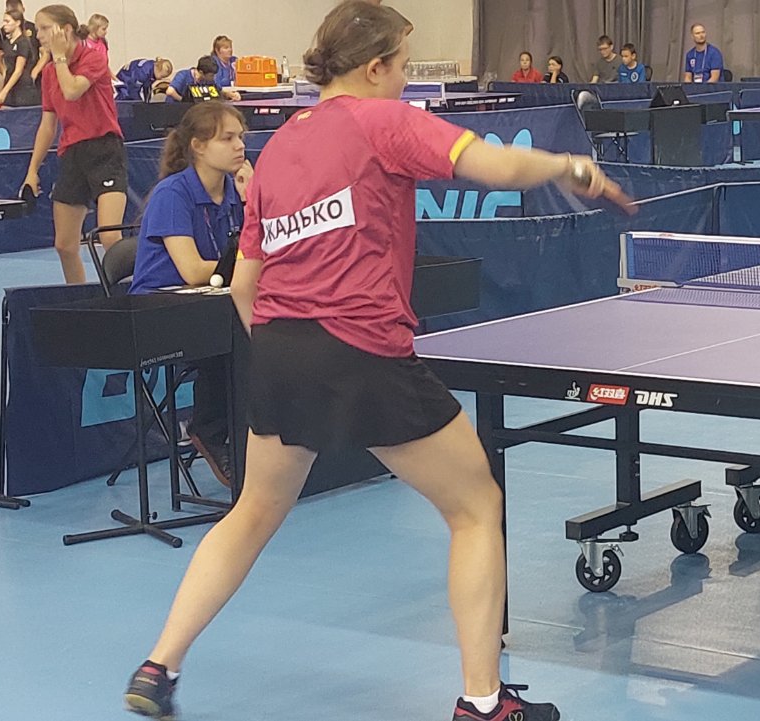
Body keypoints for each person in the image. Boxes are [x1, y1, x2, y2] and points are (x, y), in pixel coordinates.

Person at [120, 4, 625, 721]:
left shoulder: (277, 149)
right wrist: (572, 166)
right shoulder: (384, 121)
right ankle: (484, 703)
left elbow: (244, 285)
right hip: (363, 347)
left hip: (279, 348)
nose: (406, 81)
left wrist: (286, 359)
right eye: (404, 67)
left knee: (251, 513)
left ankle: (158, 666)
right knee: (476, 506)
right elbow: (499, 166)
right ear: (376, 66)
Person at [128, 101, 250, 486]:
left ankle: (257, 437)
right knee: (234, 336)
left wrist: (253, 200)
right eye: (227, 138)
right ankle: (210, 431)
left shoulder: (234, 193)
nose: (240, 145)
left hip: (211, 303)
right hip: (158, 310)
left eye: (241, 136)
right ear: (198, 146)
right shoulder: (172, 194)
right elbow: (194, 271)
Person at [20, 4, 127, 285]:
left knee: (109, 236)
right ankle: (78, 299)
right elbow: (48, 125)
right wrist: (32, 170)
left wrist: (58, 58)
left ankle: (131, 296)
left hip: (105, 150)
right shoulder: (49, 73)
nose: (38, 35)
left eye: (44, 28)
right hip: (72, 154)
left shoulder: (94, 58)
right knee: (65, 245)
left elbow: (72, 90)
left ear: (65, 30)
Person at [0, 9, 40, 106]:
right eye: (4, 21)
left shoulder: (23, 42)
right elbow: (7, 67)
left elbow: (18, 70)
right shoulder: (6, 43)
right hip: (10, 85)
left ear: (17, 23)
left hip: (22, 87)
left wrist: (4, 91)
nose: (4, 24)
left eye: (7, 21)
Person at [167, 57, 241, 102]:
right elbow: (170, 91)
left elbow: (219, 91)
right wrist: (183, 101)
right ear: (201, 73)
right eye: (211, 75)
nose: (213, 78)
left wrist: (231, 95)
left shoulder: (209, 81)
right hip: (175, 109)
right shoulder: (183, 75)